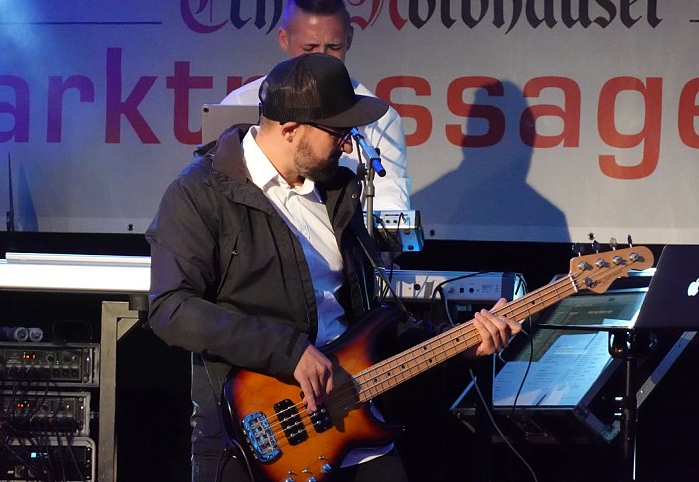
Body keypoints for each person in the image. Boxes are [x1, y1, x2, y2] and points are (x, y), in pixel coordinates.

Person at [147, 53, 521, 482]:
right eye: (338, 132)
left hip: (353, 422)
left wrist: (457, 344)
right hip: (260, 438)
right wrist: (289, 351)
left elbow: (371, 322)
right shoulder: (199, 193)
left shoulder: (339, 192)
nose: (348, 145)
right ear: (290, 129)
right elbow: (171, 308)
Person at [221, 0, 411, 211]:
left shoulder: (379, 118)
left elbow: (389, 202)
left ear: (349, 39)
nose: (321, 57)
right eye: (309, 48)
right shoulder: (239, 103)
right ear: (284, 39)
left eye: (334, 47)